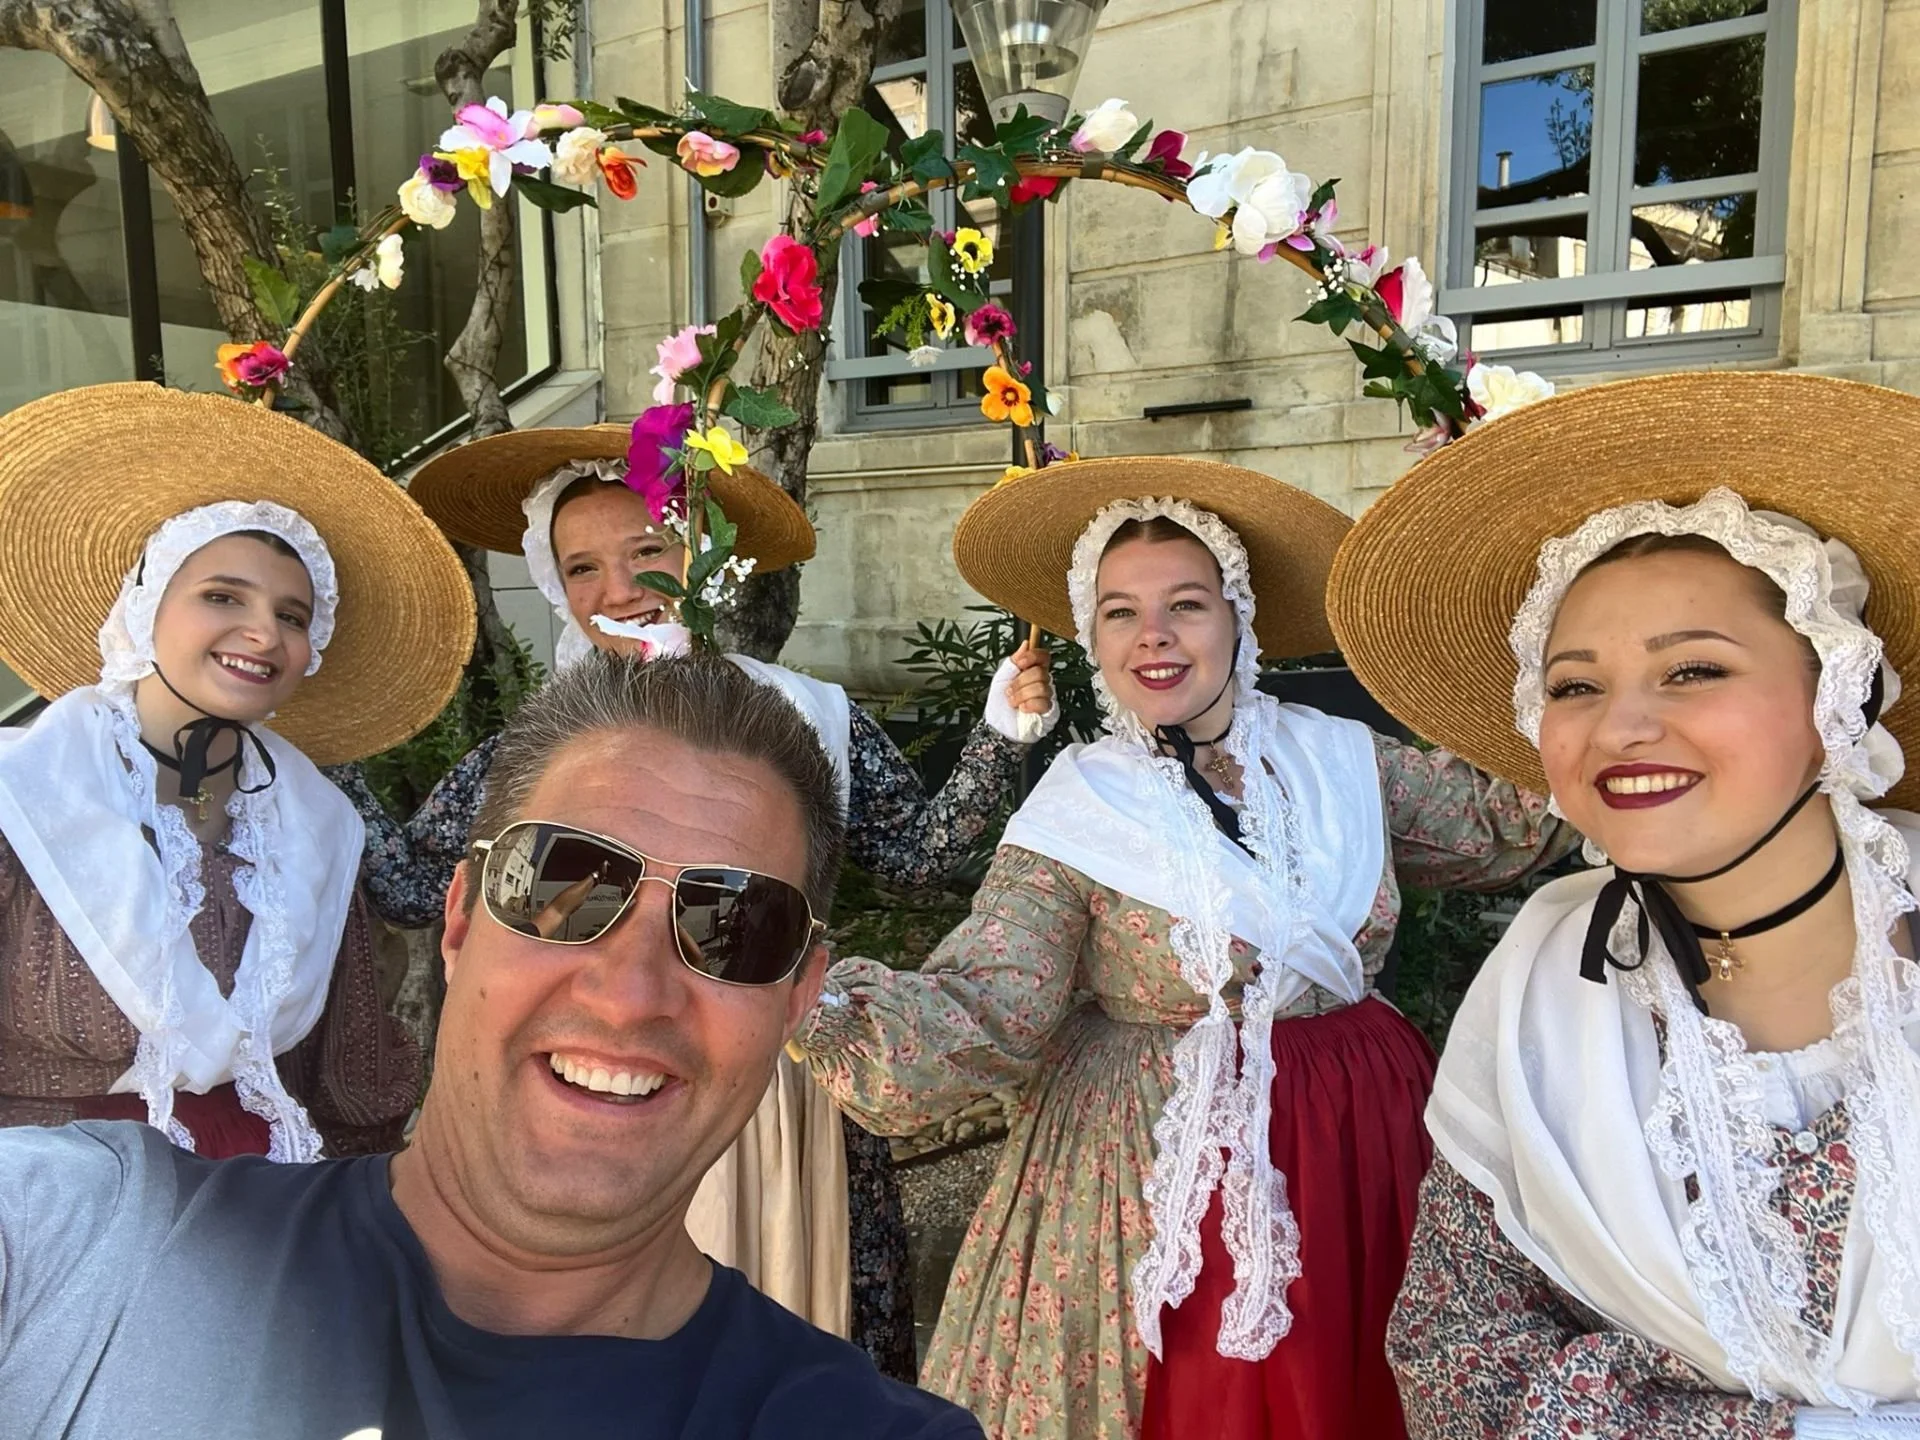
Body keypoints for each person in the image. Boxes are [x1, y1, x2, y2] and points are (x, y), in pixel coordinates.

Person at [0, 653, 984, 1440]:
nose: (629, 996)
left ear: (799, 995)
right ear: (462, 918)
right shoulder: (86, 1242)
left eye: (737, 927)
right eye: (562, 886)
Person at [796, 454, 1578, 1439]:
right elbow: (992, 1000)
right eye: (1120, 611)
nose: (1153, 635)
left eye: (1187, 606)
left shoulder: (1342, 760)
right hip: (1154, 1164)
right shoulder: (1079, 807)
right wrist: (811, 993)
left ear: (1237, 620)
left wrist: (1560, 654)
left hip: (1360, 1137)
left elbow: (1508, 822)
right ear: (1092, 637)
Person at [328, 422, 1055, 1374]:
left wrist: (1002, 731)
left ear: (701, 555)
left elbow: (919, 860)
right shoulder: (543, 747)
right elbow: (412, 884)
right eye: (581, 568)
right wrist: (322, 742)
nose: (618, 589)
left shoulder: (809, 716)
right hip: (581, 1086)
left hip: (775, 1093)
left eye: (646, 552)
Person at [1325, 371, 1920, 1436]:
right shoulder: (1542, 980)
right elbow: (1457, 1359)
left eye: (1693, 670)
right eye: (1574, 685)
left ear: (1837, 693)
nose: (1620, 727)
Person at [0, 382, 471, 1158]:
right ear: (146, 607)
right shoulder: (26, 792)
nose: (263, 634)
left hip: (263, 1190)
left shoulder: (317, 824)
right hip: (46, 1193)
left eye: (292, 616)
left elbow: (345, 1084)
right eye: (223, 597)